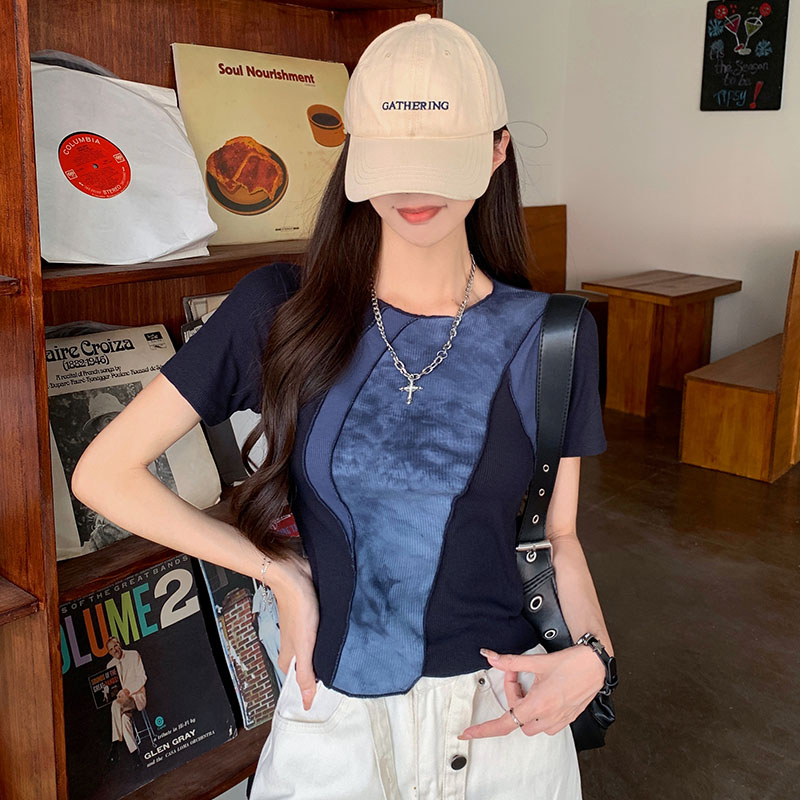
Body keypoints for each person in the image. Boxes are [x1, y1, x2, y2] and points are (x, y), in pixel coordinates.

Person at [72, 14, 615, 799]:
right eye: (391, 159)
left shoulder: (555, 336)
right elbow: (103, 473)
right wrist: (278, 575)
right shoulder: (280, 310)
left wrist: (594, 657)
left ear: (498, 152)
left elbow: (556, 536)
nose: (414, 190)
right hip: (338, 727)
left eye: (441, 160)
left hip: (507, 717)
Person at [105, 636, 147, 769]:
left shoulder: (133, 655)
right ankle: (136, 759)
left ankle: (115, 746)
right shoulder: (110, 666)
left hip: (136, 697)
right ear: (109, 652)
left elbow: (142, 677)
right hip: (122, 704)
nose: (115, 650)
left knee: (115, 705)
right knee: (123, 719)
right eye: (111, 649)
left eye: (115, 646)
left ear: (119, 644)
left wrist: (128, 690)